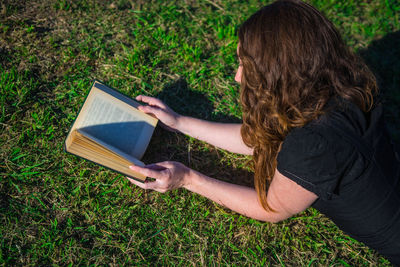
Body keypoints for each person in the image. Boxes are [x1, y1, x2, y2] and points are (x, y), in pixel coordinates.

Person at [127, 0, 400, 263]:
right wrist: (178, 122)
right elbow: (261, 139)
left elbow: (272, 208)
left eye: (246, 66)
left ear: (280, 75)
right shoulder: (342, 85)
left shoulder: (312, 146)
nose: (237, 76)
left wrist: (188, 179)